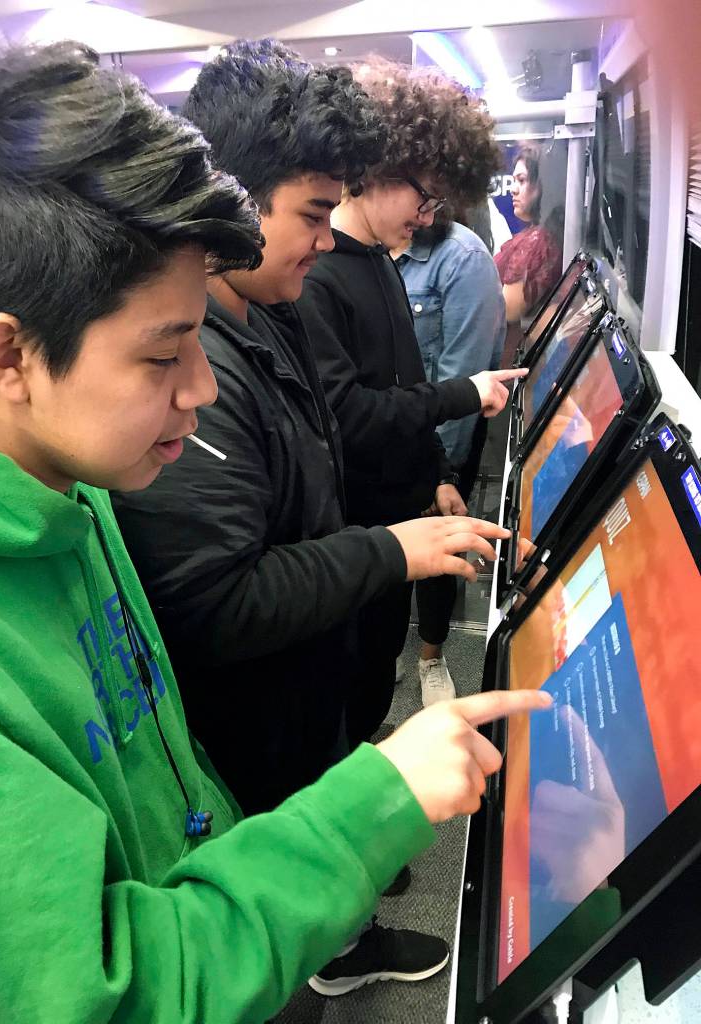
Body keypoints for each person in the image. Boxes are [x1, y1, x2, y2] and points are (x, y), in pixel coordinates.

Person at [0, 34, 551, 1023]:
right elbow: (108, 998)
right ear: (7, 355)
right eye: (163, 354)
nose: (204, 389)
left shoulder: (71, 492)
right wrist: (365, 809)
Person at [113, 39, 507, 991]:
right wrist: (388, 551)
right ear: (236, 200)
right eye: (310, 215)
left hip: (306, 685)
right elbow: (218, 600)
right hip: (254, 720)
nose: (325, 240)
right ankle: (332, 953)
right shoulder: (190, 360)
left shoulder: (272, 308)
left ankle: (341, 914)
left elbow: (320, 456)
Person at [296, 59, 526, 737]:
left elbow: (400, 384)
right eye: (421, 198)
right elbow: (353, 413)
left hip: (400, 517)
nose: (427, 217)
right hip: (359, 533)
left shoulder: (380, 263)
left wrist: (436, 478)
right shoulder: (320, 278)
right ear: (379, 168)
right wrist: (463, 394)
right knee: (357, 693)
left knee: (376, 674)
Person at [395, 208, 507, 651]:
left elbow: (463, 377)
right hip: (390, 431)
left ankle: (432, 651)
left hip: (441, 437)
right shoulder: (367, 252)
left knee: (442, 545)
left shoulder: (462, 258)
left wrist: (440, 470)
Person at [495, 145, 564, 328]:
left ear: (543, 185)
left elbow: (508, 311)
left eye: (522, 180)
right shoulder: (539, 233)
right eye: (514, 180)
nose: (513, 190)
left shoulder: (538, 240)